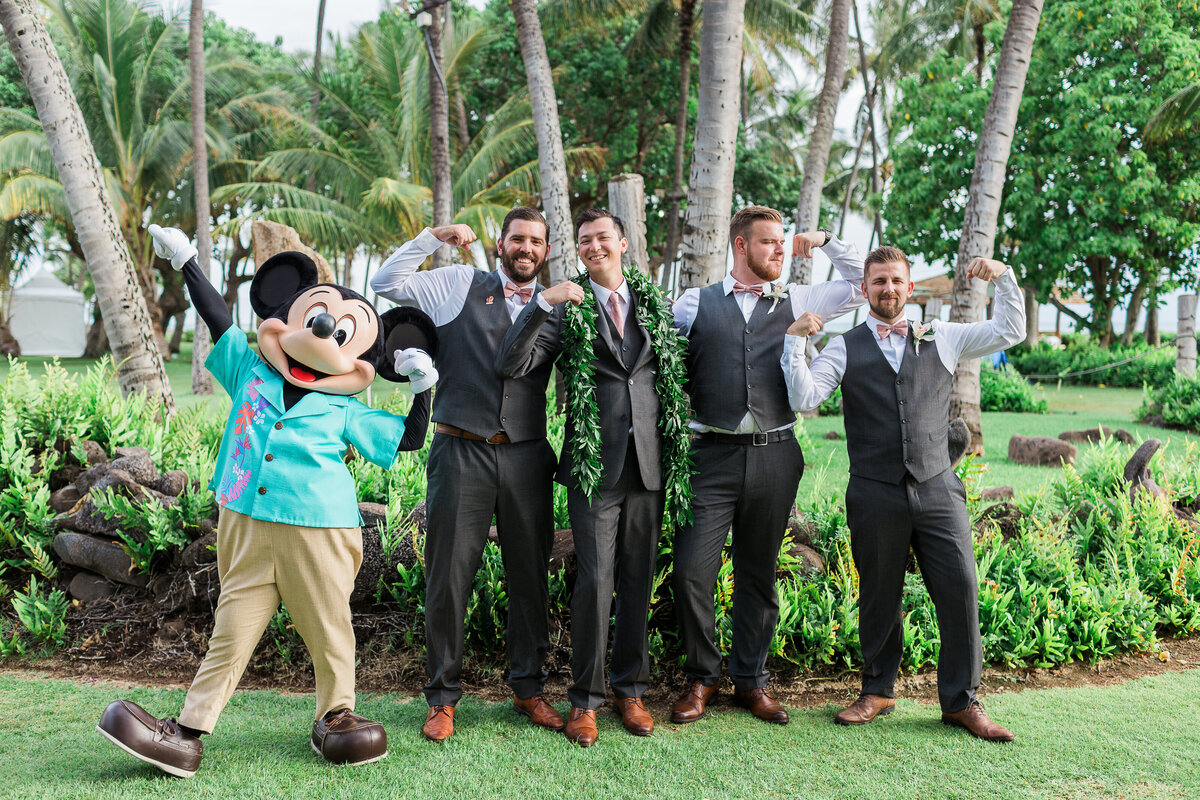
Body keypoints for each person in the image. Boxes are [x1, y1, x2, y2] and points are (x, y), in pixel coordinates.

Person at [97, 224, 435, 777]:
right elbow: (219, 319)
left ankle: (336, 716)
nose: (323, 330)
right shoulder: (250, 370)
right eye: (314, 317)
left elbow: (407, 439)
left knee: (329, 628)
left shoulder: (346, 409)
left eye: (341, 332)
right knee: (231, 631)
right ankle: (187, 733)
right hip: (246, 522)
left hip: (319, 530)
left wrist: (423, 391)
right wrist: (185, 261)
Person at [784, 246, 1025, 741]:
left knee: (960, 590)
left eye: (896, 281)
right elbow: (805, 397)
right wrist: (793, 344)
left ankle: (961, 701)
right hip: (874, 492)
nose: (888, 289)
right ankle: (878, 690)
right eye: (878, 282)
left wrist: (1004, 279)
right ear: (866, 290)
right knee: (878, 594)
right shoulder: (845, 344)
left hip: (938, 488)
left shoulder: (945, 336)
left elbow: (1009, 332)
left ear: (909, 288)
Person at [496, 208, 689, 746]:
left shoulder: (655, 303)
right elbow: (513, 364)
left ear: (623, 243)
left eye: (603, 237)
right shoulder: (568, 306)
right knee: (595, 583)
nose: (594, 246)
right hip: (593, 467)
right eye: (584, 240)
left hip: (649, 465)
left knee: (636, 582)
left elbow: (673, 371)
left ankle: (630, 692)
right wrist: (541, 304)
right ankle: (585, 701)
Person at [369, 209, 563, 742]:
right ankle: (442, 698)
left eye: (536, 242)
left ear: (544, 251)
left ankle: (528, 688)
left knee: (530, 578)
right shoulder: (459, 283)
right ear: (501, 243)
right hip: (460, 452)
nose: (526, 248)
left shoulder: (558, 307)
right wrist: (432, 238)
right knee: (448, 579)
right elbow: (385, 283)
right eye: (517, 238)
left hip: (527, 457)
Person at [670, 206, 865, 725]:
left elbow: (864, 283)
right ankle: (703, 677)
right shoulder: (694, 304)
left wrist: (822, 240)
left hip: (776, 453)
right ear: (740, 246)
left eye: (782, 242)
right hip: (708, 453)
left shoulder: (799, 297)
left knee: (758, 573)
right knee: (691, 571)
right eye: (769, 243)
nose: (780, 250)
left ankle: (752, 682)